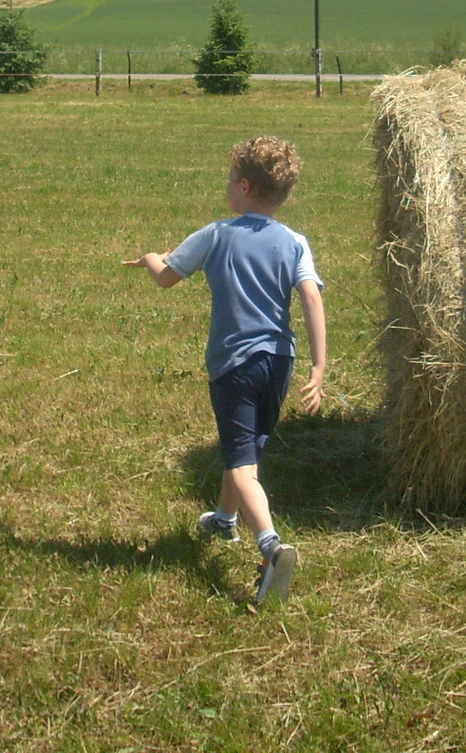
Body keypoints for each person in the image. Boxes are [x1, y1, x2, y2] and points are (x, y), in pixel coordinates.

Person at [124, 135, 326, 603]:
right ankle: (224, 520)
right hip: (280, 362)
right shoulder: (295, 241)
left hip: (234, 364)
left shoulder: (216, 234)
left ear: (246, 188)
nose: (227, 187)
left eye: (230, 180)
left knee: (239, 462)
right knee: (246, 451)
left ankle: (271, 546)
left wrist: (151, 258)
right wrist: (318, 366)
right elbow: (312, 297)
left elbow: (166, 277)